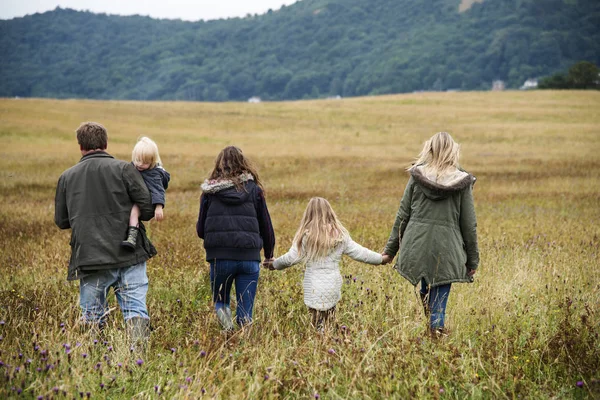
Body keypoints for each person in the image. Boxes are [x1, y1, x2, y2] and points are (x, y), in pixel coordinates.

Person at [54, 122, 157, 346]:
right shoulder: (125, 169)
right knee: (136, 311)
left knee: (91, 316)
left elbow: (61, 221)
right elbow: (148, 208)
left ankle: (93, 360)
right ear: (106, 144)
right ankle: (138, 359)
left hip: (91, 258)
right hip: (129, 254)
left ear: (80, 146)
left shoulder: (66, 177)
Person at [382, 131, 479, 336]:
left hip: (417, 246)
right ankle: (436, 338)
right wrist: (473, 261)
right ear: (453, 150)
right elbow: (469, 225)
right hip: (447, 250)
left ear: (430, 149)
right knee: (439, 302)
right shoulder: (462, 182)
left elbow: (403, 215)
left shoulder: (417, 177)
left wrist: (390, 251)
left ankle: (432, 334)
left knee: (426, 292)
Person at [264, 197, 386, 329]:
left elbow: (291, 258)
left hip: (313, 285)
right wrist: (380, 259)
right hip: (332, 284)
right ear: (330, 212)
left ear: (308, 214)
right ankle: (328, 341)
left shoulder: (305, 236)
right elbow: (361, 253)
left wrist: (274, 264)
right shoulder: (340, 235)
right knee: (329, 321)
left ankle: (319, 341)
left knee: (315, 322)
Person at [196, 146, 275, 331]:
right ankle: (243, 343)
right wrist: (269, 254)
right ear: (243, 164)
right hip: (249, 258)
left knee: (221, 303)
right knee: (245, 312)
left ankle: (228, 333)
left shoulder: (209, 192)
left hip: (220, 258)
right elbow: (266, 225)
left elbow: (201, 230)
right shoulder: (254, 190)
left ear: (219, 165)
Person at [121, 136, 171, 250]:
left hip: (143, 200)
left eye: (145, 162)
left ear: (152, 162)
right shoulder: (133, 167)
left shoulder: (153, 174)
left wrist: (159, 207)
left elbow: (158, 190)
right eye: (137, 160)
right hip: (133, 197)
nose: (139, 164)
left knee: (134, 212)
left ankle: (132, 237)